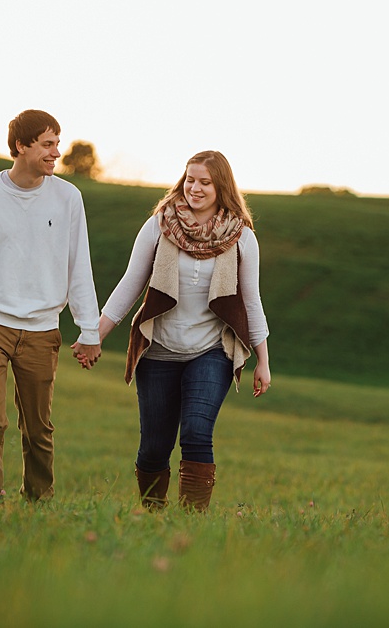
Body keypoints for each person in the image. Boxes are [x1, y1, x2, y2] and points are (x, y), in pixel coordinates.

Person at [75, 150, 271, 511]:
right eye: (190, 179)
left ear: (221, 186)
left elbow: (251, 300)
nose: (194, 188)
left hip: (211, 351)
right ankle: (153, 517)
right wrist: (95, 334)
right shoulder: (160, 225)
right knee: (154, 446)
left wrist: (263, 360)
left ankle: (190, 522)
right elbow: (131, 284)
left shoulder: (242, 238)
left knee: (197, 432)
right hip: (159, 350)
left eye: (204, 182)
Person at [0, 109, 102, 505]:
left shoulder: (68, 197)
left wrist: (89, 328)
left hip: (42, 329)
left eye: (57, 143)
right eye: (48, 144)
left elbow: (78, 264)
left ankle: (38, 502)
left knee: (38, 428)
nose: (56, 152)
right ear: (21, 146)